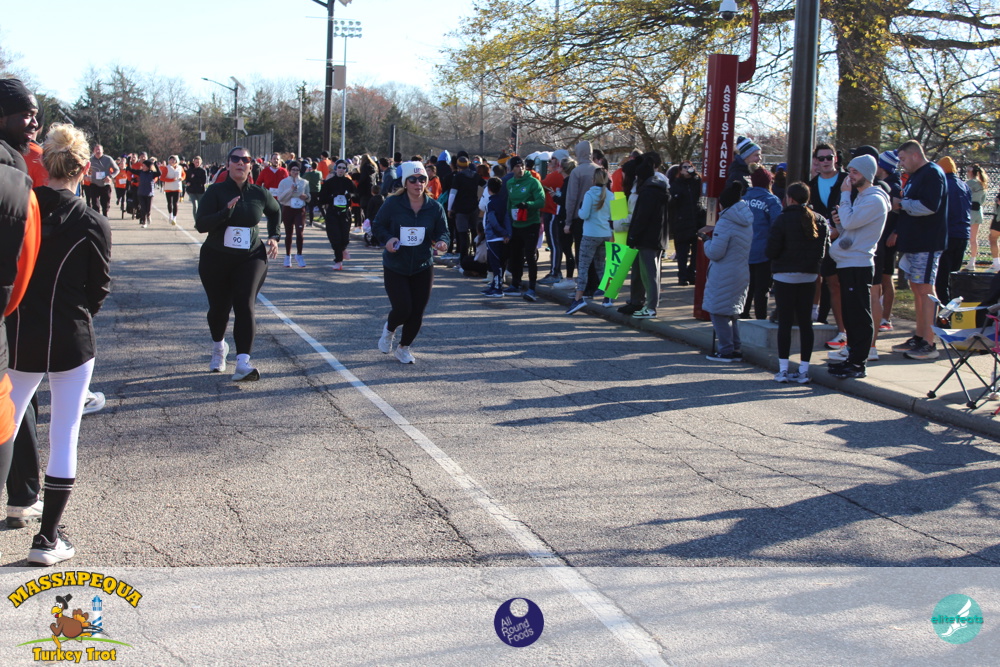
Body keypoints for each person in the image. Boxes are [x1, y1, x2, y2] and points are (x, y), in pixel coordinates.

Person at [6, 123, 112, 565]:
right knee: (64, 433)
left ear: (45, 163)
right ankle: (47, 539)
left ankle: (36, 523)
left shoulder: (22, 207)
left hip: (20, 333)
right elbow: (99, 288)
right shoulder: (92, 221)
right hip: (70, 335)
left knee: (6, 426)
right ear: (84, 168)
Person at [194, 146, 280, 381]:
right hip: (216, 257)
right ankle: (219, 347)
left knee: (245, 303)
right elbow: (201, 225)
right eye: (236, 159)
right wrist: (224, 212)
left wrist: (274, 236)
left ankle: (243, 362)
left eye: (246, 160)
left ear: (251, 165)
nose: (241, 163)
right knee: (219, 309)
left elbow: (275, 211)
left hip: (251, 257)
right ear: (228, 164)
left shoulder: (259, 193)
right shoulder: (215, 191)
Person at [0, 78, 44, 539]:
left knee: (20, 397)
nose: (34, 122)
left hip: (14, 308)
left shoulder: (27, 162)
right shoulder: (18, 176)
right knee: (14, 400)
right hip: (10, 310)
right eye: (26, 113)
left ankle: (24, 494)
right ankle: (24, 494)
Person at [372, 162, 449, 363]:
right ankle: (389, 330)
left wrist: (442, 242)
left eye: (422, 179)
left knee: (417, 312)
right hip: (396, 265)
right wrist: (388, 239)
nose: (418, 183)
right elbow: (378, 225)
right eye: (413, 179)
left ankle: (403, 348)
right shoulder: (393, 204)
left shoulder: (434, 207)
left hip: (422, 265)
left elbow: (443, 231)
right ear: (405, 182)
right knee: (403, 308)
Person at [826, 155, 890, 379]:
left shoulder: (874, 200)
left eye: (855, 172)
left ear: (867, 174)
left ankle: (858, 363)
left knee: (859, 315)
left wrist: (845, 196)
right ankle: (852, 358)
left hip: (859, 264)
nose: (850, 177)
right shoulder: (863, 198)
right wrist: (838, 222)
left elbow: (851, 222)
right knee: (851, 314)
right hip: (848, 262)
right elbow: (850, 229)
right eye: (850, 171)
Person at [890, 140, 948, 360]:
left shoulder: (932, 173)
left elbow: (929, 206)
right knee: (917, 287)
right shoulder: (915, 175)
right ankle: (920, 335)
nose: (902, 164)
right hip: (914, 242)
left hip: (927, 242)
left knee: (926, 289)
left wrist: (902, 204)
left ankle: (930, 343)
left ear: (915, 155)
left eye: (903, 159)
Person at [768, 182, 829, 383]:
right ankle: (804, 369)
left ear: (790, 198)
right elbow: (824, 250)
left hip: (784, 275)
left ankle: (783, 369)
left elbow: (772, 249)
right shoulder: (819, 220)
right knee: (805, 323)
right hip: (809, 275)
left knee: (785, 323)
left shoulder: (782, 219)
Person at [701, 180, 754, 362]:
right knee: (731, 312)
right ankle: (735, 348)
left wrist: (706, 241)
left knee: (718, 312)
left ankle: (725, 350)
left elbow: (715, 253)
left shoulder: (725, 222)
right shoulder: (746, 220)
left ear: (724, 204)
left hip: (724, 272)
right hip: (740, 270)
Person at [809, 142, 849, 347]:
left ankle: (846, 331)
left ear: (836, 158)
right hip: (821, 242)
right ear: (816, 161)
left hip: (847, 242)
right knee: (825, 282)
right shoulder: (811, 185)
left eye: (829, 157)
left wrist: (839, 230)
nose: (825, 161)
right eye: (821, 158)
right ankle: (837, 329)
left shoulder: (847, 180)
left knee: (844, 286)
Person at [625, 153, 670, 319]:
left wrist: (633, 236)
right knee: (650, 273)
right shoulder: (660, 189)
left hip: (646, 238)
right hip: (656, 237)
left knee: (649, 274)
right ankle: (646, 304)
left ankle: (650, 307)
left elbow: (641, 217)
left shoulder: (647, 191)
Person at [566, 168, 613, 314]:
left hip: (591, 233)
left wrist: (580, 210)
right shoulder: (610, 195)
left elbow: (584, 215)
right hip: (605, 233)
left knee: (583, 266)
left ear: (593, 180)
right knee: (601, 266)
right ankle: (608, 296)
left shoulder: (590, 194)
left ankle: (578, 298)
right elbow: (613, 216)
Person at [741, 166, 782, 319]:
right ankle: (760, 317)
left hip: (744, 249)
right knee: (762, 288)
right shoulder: (771, 200)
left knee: (746, 287)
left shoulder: (743, 199)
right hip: (764, 251)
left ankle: (743, 314)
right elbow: (777, 226)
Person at [504, 156, 546, 301]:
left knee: (530, 256)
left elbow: (541, 201)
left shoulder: (533, 182)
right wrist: (508, 222)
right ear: (511, 169)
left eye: (522, 166)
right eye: (517, 166)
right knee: (515, 256)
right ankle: (515, 284)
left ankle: (532, 288)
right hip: (516, 224)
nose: (520, 169)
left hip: (531, 224)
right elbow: (509, 204)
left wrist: (527, 205)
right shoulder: (509, 183)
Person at [934, 157, 970, 303]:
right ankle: (954, 305)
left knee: (941, 278)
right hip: (963, 234)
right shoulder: (964, 185)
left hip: (948, 234)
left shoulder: (943, 185)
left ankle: (944, 308)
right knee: (954, 276)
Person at [318, 159, 357, 270]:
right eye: (339, 167)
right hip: (332, 213)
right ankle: (338, 261)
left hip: (345, 213)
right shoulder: (329, 182)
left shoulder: (348, 182)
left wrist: (350, 195)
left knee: (344, 237)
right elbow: (321, 199)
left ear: (346, 170)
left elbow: (356, 195)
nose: (341, 170)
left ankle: (343, 248)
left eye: (343, 168)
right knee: (335, 237)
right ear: (335, 169)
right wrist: (331, 196)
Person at [670, 160, 704, 286]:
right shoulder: (676, 184)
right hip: (682, 223)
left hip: (696, 221)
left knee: (696, 252)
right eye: (684, 167)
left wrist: (694, 175)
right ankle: (682, 276)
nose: (687, 169)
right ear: (680, 170)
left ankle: (691, 273)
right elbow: (672, 202)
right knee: (682, 253)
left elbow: (702, 191)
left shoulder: (697, 182)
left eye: (689, 167)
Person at [276, 161, 310, 268]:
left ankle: (299, 255)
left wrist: (306, 197)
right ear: (289, 171)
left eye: (297, 170)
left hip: (300, 210)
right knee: (288, 233)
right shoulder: (284, 182)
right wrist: (290, 190)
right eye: (293, 170)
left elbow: (309, 196)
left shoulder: (304, 182)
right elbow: (280, 198)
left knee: (300, 233)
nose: (295, 172)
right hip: (288, 209)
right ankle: (287, 256)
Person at [481, 176, 511, 297]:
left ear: (489, 189)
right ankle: (494, 285)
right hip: (503, 236)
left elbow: (493, 221)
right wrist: (507, 233)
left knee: (495, 264)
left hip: (493, 237)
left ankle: (498, 288)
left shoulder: (490, 203)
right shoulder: (503, 202)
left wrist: (502, 232)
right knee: (500, 263)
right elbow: (507, 219)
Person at [966, 164, 988, 271]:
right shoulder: (982, 184)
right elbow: (983, 200)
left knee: (964, 237)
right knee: (973, 239)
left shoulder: (969, 183)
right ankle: (972, 262)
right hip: (978, 211)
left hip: (969, 211)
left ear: (971, 172)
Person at [86, 144, 118, 217]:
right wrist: (86, 176)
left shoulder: (108, 159)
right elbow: (84, 169)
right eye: (96, 150)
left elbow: (117, 170)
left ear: (102, 151)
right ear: (94, 151)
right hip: (94, 184)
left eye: (99, 150)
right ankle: (97, 219)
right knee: (95, 205)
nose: (98, 151)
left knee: (105, 205)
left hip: (105, 184)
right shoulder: (90, 160)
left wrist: (110, 177)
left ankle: (105, 217)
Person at [136, 159, 158, 227]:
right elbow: (130, 169)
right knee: (143, 209)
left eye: (145, 166)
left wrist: (155, 164)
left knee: (148, 209)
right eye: (143, 166)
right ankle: (144, 222)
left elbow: (159, 173)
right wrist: (128, 161)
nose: (143, 167)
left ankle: (148, 215)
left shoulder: (152, 173)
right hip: (141, 193)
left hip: (149, 194)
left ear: (148, 167)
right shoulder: (140, 172)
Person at [162, 155, 184, 224]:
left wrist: (182, 178)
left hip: (177, 187)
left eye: (174, 160)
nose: (172, 161)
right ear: (169, 161)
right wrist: (171, 180)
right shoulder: (166, 168)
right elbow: (162, 178)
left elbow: (184, 175)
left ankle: (174, 217)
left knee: (175, 203)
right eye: (171, 159)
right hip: (168, 188)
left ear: (176, 161)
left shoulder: (180, 167)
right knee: (169, 203)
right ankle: (170, 215)